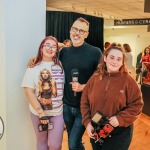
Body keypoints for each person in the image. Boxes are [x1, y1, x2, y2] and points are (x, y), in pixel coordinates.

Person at [28, 17, 102, 150]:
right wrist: (35, 59)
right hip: (65, 107)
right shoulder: (63, 52)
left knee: (73, 143)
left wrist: (83, 87)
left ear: (86, 34)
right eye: (75, 29)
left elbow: (102, 79)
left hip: (84, 107)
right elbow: (48, 56)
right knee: (71, 141)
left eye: (81, 30)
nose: (77, 33)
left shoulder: (95, 52)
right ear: (70, 30)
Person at [81, 43, 144, 150]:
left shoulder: (128, 81)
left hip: (119, 132)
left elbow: (137, 105)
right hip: (96, 128)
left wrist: (120, 118)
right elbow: (84, 101)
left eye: (119, 59)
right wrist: (87, 123)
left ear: (122, 62)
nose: (115, 61)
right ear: (105, 58)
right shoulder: (95, 78)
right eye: (112, 57)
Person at [22, 36, 65, 150]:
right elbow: (29, 91)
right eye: (47, 45)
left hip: (57, 112)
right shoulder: (33, 67)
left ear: (57, 50)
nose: (50, 48)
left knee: (56, 145)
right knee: (42, 142)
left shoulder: (60, 65)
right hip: (38, 113)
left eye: (53, 46)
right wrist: (41, 113)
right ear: (41, 48)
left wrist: (60, 45)